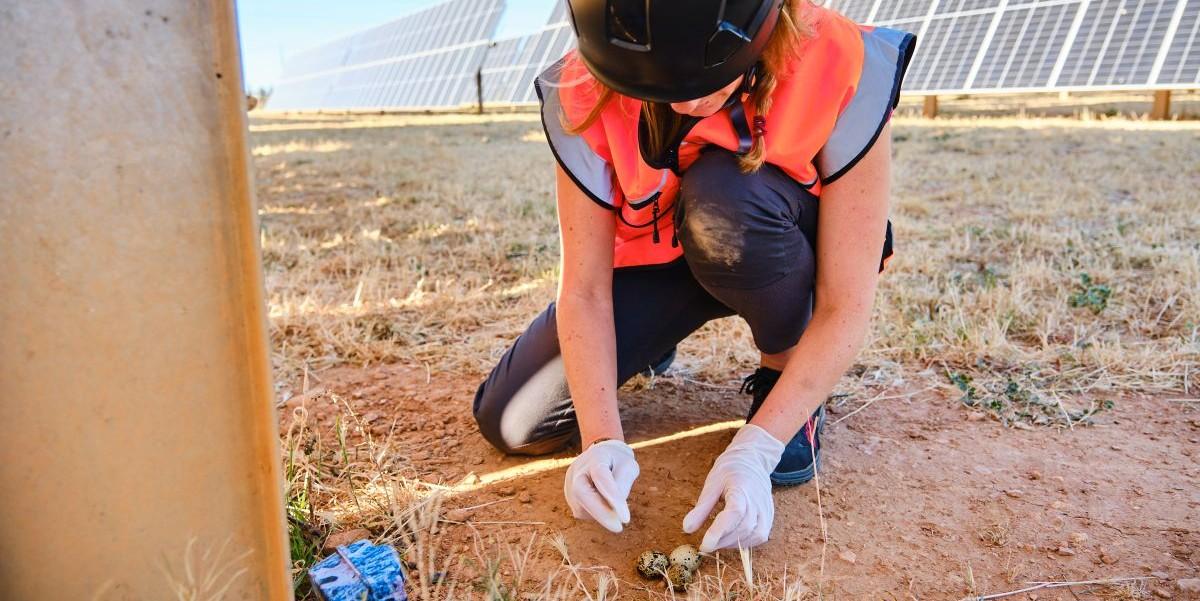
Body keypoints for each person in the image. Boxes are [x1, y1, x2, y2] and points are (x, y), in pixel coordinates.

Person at [473, 0, 915, 553]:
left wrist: (758, 448)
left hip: (767, 238)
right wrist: (600, 437)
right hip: (661, 257)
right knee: (513, 421)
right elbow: (584, 289)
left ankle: (785, 376)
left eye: (706, 76)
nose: (686, 101)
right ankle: (656, 337)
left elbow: (846, 306)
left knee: (723, 204)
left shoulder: (835, 56)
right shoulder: (580, 89)